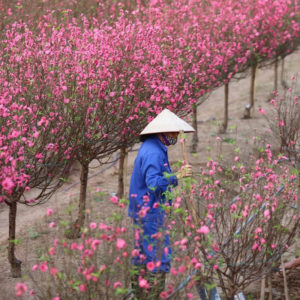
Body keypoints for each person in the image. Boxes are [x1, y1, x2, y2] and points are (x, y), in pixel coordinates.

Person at [128, 109, 195, 299]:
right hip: (149, 213)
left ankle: (139, 294)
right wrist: (178, 176)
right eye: (173, 132)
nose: (175, 136)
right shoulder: (153, 153)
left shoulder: (154, 147)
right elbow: (153, 183)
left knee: (141, 256)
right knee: (158, 259)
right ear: (161, 131)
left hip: (144, 210)